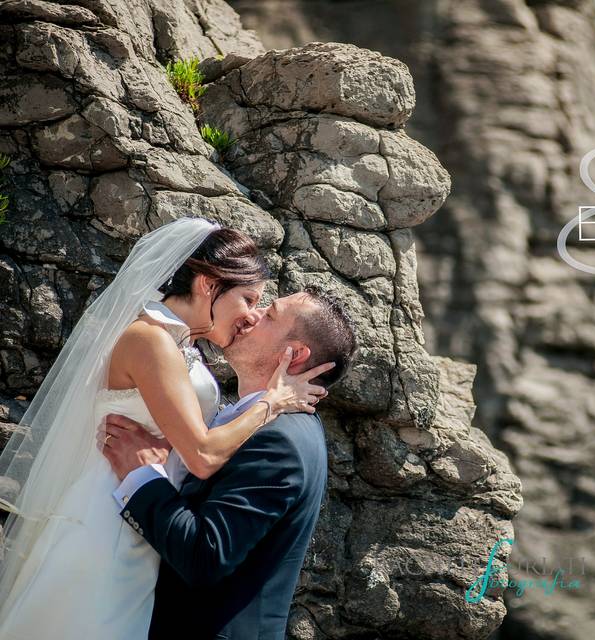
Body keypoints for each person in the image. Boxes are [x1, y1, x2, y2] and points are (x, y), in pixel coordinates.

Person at [0, 219, 330, 639]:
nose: (250, 315)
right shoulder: (149, 339)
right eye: (248, 299)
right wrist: (273, 401)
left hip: (141, 520)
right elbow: (205, 455)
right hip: (107, 518)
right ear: (209, 285)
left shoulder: (181, 344)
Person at [101, 287, 357, 639]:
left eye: (269, 314)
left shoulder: (279, 441)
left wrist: (142, 474)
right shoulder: (252, 422)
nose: (251, 315)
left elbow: (205, 555)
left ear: (294, 354)